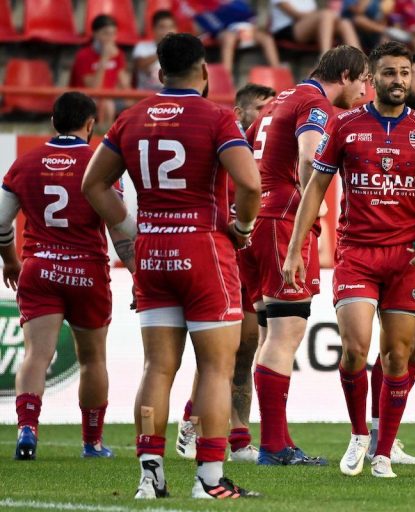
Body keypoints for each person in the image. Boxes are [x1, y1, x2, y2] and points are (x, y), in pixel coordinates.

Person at [81, 33, 261, 499]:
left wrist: (132, 230)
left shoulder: (131, 117)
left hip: (154, 251)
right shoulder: (217, 116)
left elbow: (93, 184)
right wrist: (241, 228)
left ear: (159, 73)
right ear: (205, 74)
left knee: (157, 368)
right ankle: (209, 480)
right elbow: (250, 183)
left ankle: (149, 476)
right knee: (217, 369)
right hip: (204, 250)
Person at [283, 41, 415, 478]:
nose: (398, 80)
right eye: (389, 73)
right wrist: (296, 247)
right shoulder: (344, 126)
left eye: (404, 73)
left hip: (406, 257)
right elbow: (315, 188)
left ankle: (383, 451)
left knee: (397, 356)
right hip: (357, 253)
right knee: (355, 349)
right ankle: (359, 433)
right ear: (372, 80)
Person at [232, 46, 368, 466]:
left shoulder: (280, 100)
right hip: (283, 222)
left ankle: (277, 439)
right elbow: (310, 156)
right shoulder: (314, 104)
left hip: (258, 221)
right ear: (344, 75)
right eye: (362, 81)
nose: (365, 91)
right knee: (285, 333)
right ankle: (273, 446)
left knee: (272, 332)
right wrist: (318, 205)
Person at [2, 92, 132, 461]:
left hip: (39, 268)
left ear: (53, 121)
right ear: (90, 124)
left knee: (35, 356)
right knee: (92, 359)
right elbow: (119, 226)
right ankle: (91, 443)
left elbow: (0, 222)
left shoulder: (25, 163)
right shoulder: (100, 163)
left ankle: (27, 429)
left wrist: (11, 263)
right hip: (86, 271)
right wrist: (139, 274)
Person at [175, 83, 276, 463]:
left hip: (250, 260)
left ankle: (239, 437)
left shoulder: (268, 152)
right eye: (261, 108)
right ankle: (190, 421)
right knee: (218, 352)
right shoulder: (221, 146)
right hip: (218, 257)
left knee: (245, 350)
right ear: (240, 111)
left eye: (272, 108)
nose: (268, 115)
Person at [367, 52, 415, 465]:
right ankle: (378, 434)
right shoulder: (373, 126)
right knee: (395, 348)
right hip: (393, 245)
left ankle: (385, 430)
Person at [180, 0, 280, 75]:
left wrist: (250, 27)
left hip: (244, 28)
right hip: (223, 31)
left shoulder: (235, 3)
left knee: (267, 39)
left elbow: (249, 15)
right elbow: (206, 20)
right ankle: (226, 76)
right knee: (229, 38)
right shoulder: (200, 4)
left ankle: (278, 73)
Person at [70, 15, 131, 130]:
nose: (110, 38)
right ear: (95, 34)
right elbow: (94, 88)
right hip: (85, 99)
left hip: (110, 97)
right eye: (106, 34)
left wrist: (118, 60)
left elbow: (125, 87)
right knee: (107, 104)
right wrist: (104, 59)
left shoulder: (118, 55)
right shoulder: (83, 55)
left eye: (113, 34)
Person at [271, 0, 361, 55]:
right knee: (327, 14)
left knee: (344, 23)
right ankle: (325, 58)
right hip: (287, 30)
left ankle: (362, 64)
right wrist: (319, 16)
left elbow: (315, 15)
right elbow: (296, 14)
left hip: (309, 28)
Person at [133, 10, 178, 92]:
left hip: (172, 98)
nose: (167, 31)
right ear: (154, 29)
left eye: (171, 27)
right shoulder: (142, 46)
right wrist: (163, 50)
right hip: (146, 97)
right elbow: (140, 65)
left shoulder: (182, 50)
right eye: (162, 27)